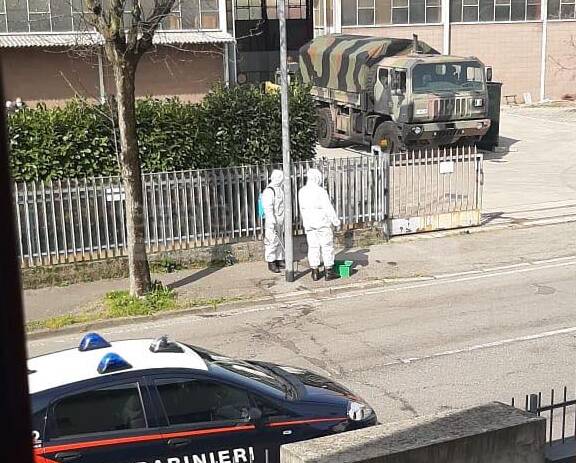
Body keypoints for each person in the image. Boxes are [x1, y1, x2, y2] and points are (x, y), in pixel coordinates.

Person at [298, 168, 340, 281]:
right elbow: (328, 208)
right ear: (318, 178)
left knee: (313, 247)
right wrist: (336, 221)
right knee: (327, 247)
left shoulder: (302, 191)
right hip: (322, 223)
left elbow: (302, 209)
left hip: (309, 224)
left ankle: (314, 272)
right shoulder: (320, 191)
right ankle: (328, 271)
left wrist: (305, 222)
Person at [261, 169, 285, 273]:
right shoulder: (269, 191)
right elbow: (268, 208)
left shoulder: (280, 189)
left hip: (280, 220)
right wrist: (272, 221)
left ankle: (279, 259)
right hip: (272, 220)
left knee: (279, 240)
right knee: (271, 241)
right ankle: (271, 261)